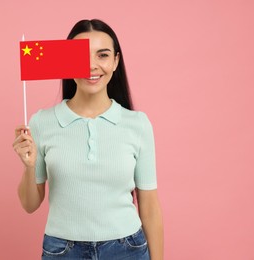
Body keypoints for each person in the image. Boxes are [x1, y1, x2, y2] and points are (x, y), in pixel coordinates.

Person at [13, 19, 163, 260]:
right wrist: (29, 167)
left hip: (127, 250)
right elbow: (30, 205)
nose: (91, 66)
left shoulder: (138, 124)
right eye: (80, 56)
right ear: (65, 61)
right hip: (62, 251)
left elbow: (150, 207)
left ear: (115, 61)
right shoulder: (42, 122)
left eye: (102, 55)